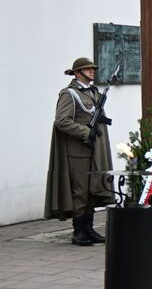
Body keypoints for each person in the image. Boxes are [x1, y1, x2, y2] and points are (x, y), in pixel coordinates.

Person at [45, 57, 114, 246]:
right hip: (78, 150)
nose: (92, 71)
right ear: (77, 73)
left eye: (92, 69)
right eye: (87, 69)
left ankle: (89, 228)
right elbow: (62, 121)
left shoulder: (92, 92)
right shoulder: (69, 94)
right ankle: (79, 231)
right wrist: (85, 132)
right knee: (81, 190)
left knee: (92, 189)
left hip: (94, 150)